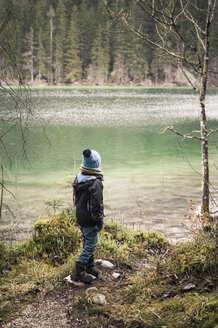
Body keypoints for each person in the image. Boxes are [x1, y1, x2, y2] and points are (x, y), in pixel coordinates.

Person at [71, 148, 104, 284]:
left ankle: (89, 267)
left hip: (81, 215)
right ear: (97, 165)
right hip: (90, 218)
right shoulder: (95, 183)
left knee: (87, 240)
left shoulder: (79, 177)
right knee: (91, 244)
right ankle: (77, 272)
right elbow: (97, 205)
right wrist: (99, 221)